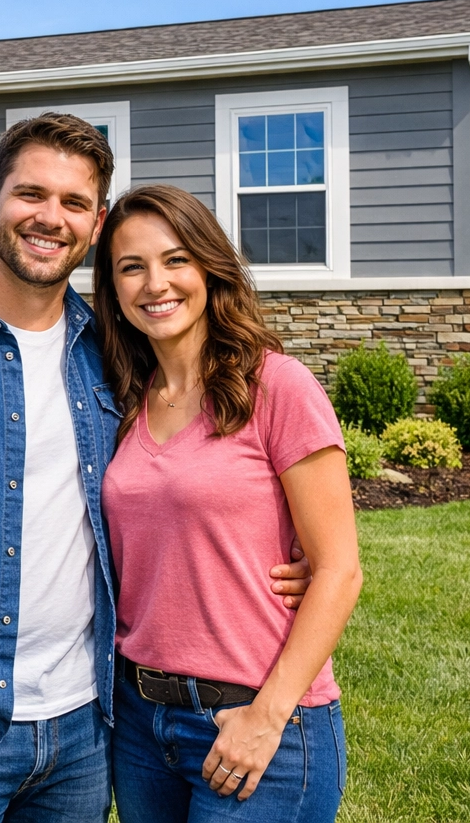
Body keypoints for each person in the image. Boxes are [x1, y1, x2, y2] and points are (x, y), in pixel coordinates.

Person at [0, 114, 314, 823]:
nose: (50, 218)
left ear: (95, 224)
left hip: (86, 732)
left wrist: (282, 553)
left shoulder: (115, 354)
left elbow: (173, 487)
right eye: (30, 194)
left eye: (73, 203)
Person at [96, 184, 362, 823]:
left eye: (175, 259)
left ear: (210, 268)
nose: (154, 282)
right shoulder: (122, 399)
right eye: (132, 267)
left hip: (257, 716)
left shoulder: (278, 386)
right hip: (139, 723)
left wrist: (266, 718)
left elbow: (338, 570)